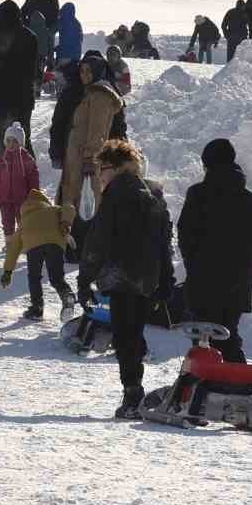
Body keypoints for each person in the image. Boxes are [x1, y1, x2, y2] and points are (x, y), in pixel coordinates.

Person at [79, 139, 170, 419]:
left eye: (102, 169)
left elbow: (99, 240)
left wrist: (85, 279)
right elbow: (164, 241)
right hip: (145, 278)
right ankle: (135, 389)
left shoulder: (116, 193)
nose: (100, 176)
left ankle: (132, 393)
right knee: (133, 333)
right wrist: (165, 279)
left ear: (115, 167)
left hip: (120, 276)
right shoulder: (153, 194)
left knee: (124, 336)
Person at [177, 138, 252, 365]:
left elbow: (185, 235)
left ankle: (207, 389)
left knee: (204, 339)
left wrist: (194, 264)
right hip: (236, 287)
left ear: (206, 165)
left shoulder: (197, 194)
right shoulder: (249, 200)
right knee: (228, 335)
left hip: (203, 283)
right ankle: (236, 387)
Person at [57, 55, 126, 217]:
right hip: (79, 158)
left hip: (86, 161)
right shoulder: (91, 93)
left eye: (89, 71)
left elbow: (98, 132)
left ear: (98, 72)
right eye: (82, 71)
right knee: (78, 203)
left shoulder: (100, 96)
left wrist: (89, 159)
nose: (84, 75)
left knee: (85, 206)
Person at [0, 0, 39, 177]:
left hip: (2, 98)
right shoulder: (30, 36)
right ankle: (27, 181)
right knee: (22, 142)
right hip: (22, 99)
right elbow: (31, 71)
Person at [2, 189, 77, 320]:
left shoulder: (24, 222)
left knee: (34, 277)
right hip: (55, 243)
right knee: (56, 277)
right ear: (44, 201)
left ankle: (37, 309)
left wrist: (7, 271)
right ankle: (67, 295)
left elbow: (14, 248)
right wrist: (65, 222)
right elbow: (69, 208)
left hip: (33, 246)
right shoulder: (54, 210)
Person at [0, 121, 41, 241]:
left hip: (22, 199)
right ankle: (10, 243)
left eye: (15, 141)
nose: (11, 144)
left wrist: (35, 196)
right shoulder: (2, 159)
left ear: (21, 143)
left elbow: (33, 178)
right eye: (8, 141)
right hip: (5, 199)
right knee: (7, 223)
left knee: (24, 222)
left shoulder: (27, 159)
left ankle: (24, 242)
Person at [46, 58, 85, 171]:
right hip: (73, 152)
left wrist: (56, 154)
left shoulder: (69, 95)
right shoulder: (72, 93)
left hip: (73, 152)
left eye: (62, 77)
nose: (59, 82)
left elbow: (58, 126)